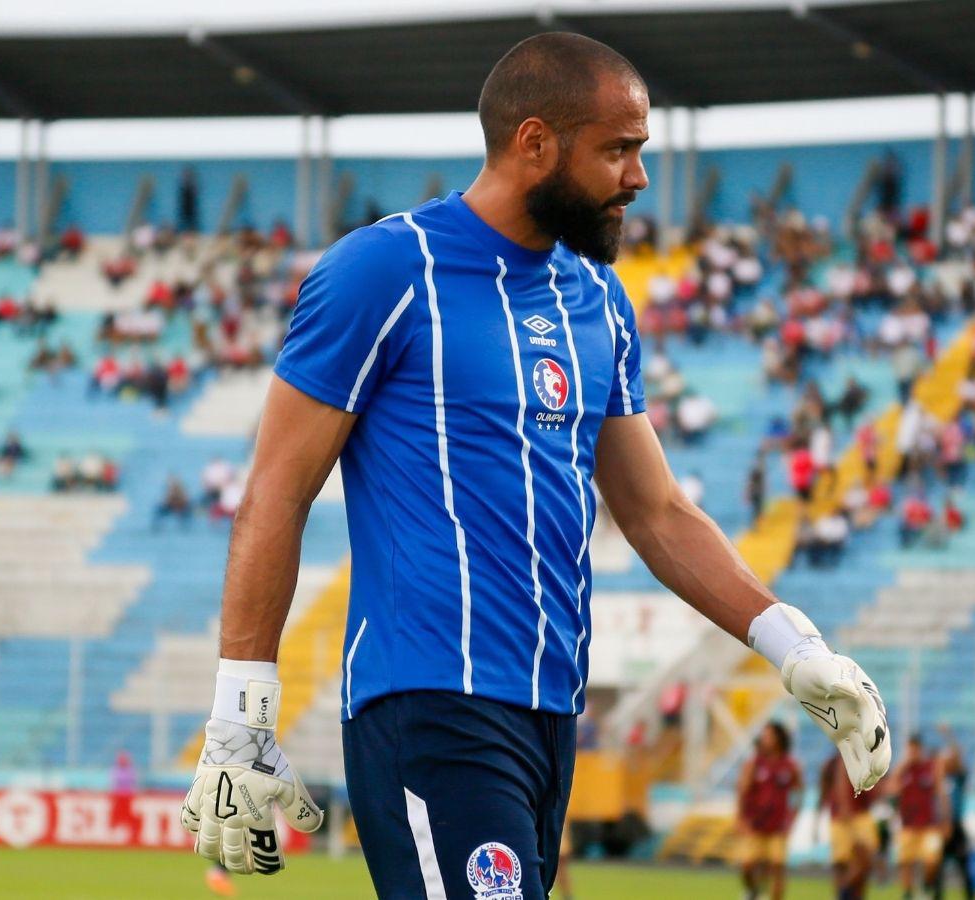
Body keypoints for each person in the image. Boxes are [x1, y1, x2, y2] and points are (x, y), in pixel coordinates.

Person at [181, 33, 891, 895]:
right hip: (431, 701)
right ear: (534, 143)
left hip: (552, 713)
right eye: (618, 150)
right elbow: (275, 494)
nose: (638, 177)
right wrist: (240, 709)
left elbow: (657, 512)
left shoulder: (596, 299)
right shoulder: (385, 271)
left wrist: (795, 644)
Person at [736, 722, 801, 900]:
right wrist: (740, 819)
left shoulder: (790, 765)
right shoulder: (754, 764)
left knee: (778, 867)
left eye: (768, 735)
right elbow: (742, 791)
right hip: (756, 824)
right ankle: (753, 891)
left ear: (778, 738)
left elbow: (798, 793)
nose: (764, 739)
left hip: (778, 826)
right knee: (747, 865)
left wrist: (792, 817)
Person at [820, 750, 882, 900]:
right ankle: (844, 894)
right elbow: (829, 788)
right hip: (842, 818)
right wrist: (843, 806)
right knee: (843, 864)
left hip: (860, 814)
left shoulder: (867, 758)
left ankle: (843, 894)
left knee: (863, 862)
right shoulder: (833, 763)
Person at [892, 734, 947, 899]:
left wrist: (945, 820)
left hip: (929, 825)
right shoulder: (904, 770)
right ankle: (908, 894)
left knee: (932, 861)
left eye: (915, 749)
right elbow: (891, 788)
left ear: (920, 749)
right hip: (908, 825)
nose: (913, 753)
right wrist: (903, 765)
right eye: (910, 749)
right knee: (906, 862)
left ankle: (925, 888)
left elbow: (941, 793)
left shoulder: (931, 767)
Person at [935, 728, 975, 899]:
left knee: (964, 865)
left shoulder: (958, 778)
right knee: (937, 867)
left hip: (956, 826)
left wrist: (949, 735)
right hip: (941, 827)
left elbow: (958, 755)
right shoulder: (938, 782)